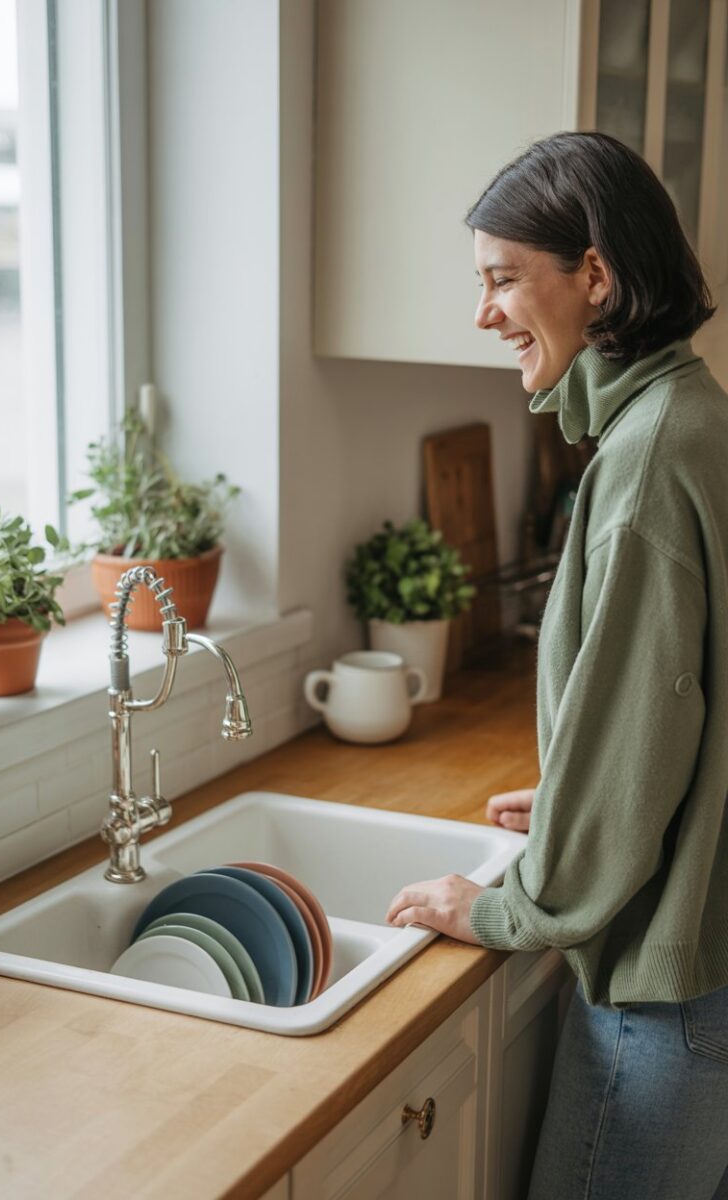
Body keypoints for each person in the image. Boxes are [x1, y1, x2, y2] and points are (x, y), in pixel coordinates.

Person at [385, 131, 728, 1199]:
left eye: (500, 280)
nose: (482, 313)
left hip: (662, 991)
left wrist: (495, 910)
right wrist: (588, 794)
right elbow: (674, 710)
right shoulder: (693, 419)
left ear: (595, 276)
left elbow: (648, 711)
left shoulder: (641, 466)